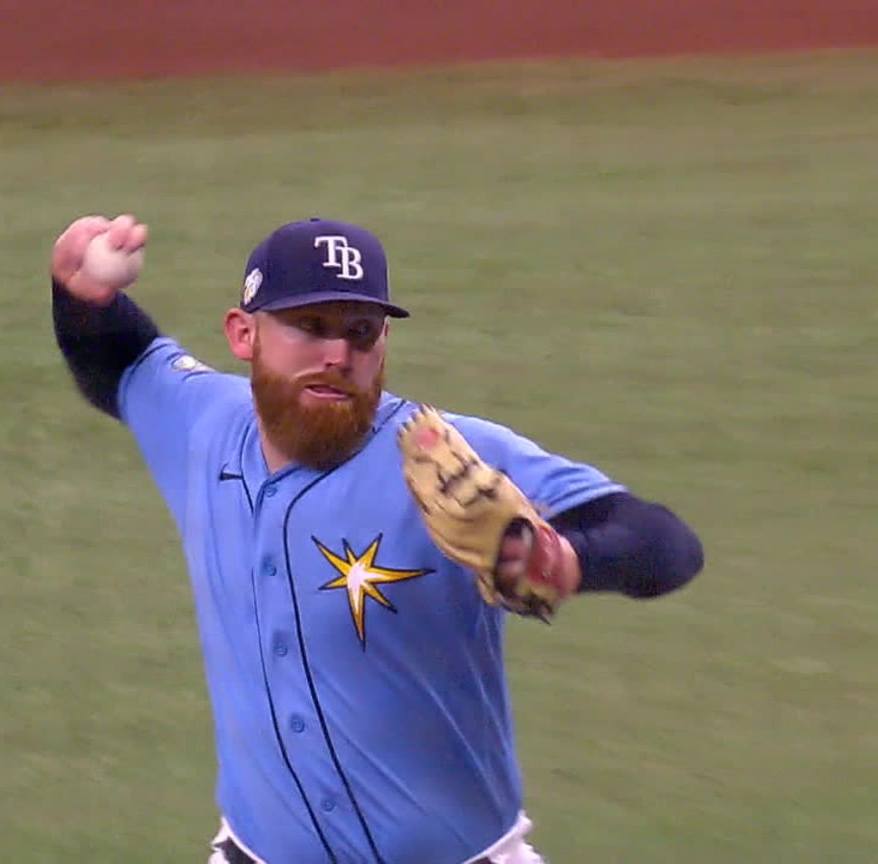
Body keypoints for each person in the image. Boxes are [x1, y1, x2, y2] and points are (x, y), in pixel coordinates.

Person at [49, 213, 704, 864]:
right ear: (242, 333)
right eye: (311, 327)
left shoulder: (441, 456)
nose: (338, 355)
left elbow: (665, 543)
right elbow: (120, 362)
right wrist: (79, 292)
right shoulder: (204, 424)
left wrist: (571, 560)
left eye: (361, 332)